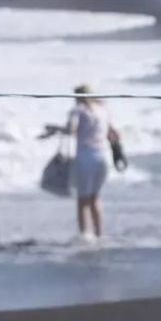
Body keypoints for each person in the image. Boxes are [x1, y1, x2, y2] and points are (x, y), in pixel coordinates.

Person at [41, 85, 121, 239]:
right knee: (94, 198)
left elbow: (71, 130)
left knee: (82, 200)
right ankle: (99, 234)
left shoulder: (78, 110)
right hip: (102, 158)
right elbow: (114, 134)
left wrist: (54, 129)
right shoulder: (103, 110)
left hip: (85, 158)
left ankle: (85, 235)